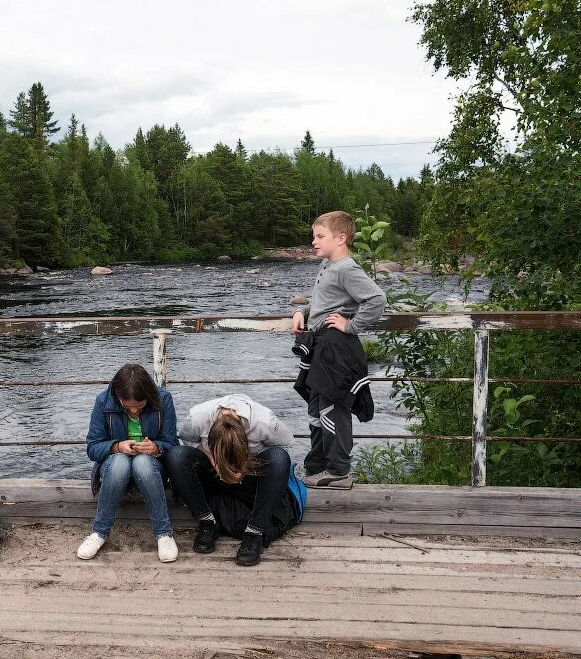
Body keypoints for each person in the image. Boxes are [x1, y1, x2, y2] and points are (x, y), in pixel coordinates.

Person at [291, 210, 387, 490]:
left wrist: (351, 325)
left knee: (333, 409)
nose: (314, 242)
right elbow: (323, 304)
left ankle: (339, 471)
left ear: (341, 238)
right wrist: (302, 311)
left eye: (320, 236)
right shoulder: (327, 266)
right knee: (316, 409)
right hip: (322, 347)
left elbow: (377, 299)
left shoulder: (346, 268)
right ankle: (318, 466)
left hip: (337, 348)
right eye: (313, 237)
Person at [165, 394, 307, 566]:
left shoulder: (264, 422)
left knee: (279, 458)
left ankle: (254, 532)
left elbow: (286, 443)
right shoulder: (197, 418)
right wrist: (210, 456)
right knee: (176, 455)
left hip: (249, 473)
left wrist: (248, 462)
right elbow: (187, 439)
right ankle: (207, 521)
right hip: (213, 470)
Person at [78, 363, 179, 562]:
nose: (133, 410)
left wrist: (156, 448)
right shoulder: (102, 402)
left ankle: (163, 533)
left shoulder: (163, 400)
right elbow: (92, 448)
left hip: (150, 467)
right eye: (127, 405)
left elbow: (172, 444)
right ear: (118, 396)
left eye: (139, 406)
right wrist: (117, 446)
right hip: (114, 467)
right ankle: (99, 532)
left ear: (148, 397)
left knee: (142, 462)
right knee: (120, 462)